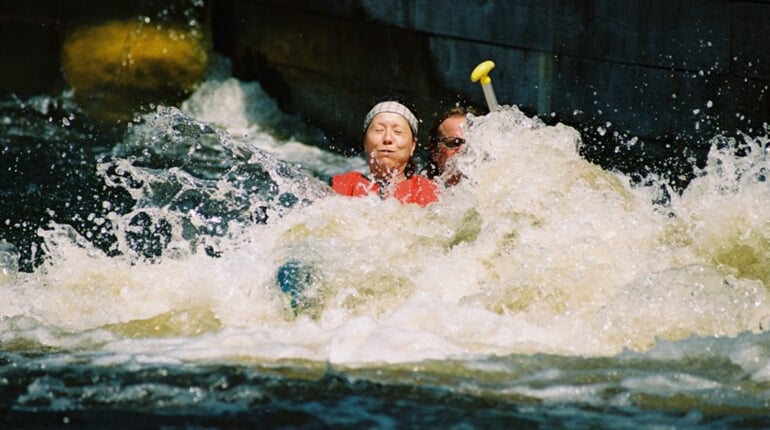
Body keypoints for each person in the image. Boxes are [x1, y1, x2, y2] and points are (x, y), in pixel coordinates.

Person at [331, 101, 439, 207]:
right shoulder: (341, 185)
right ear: (365, 142)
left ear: (413, 145)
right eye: (379, 130)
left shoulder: (428, 191)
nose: (387, 138)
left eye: (398, 132)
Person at [427, 105, 484, 186]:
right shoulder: (426, 195)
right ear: (435, 153)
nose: (464, 148)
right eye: (455, 143)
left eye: (472, 142)